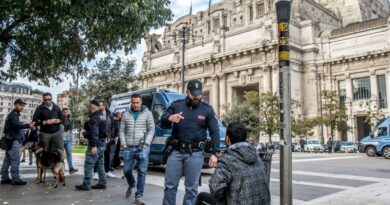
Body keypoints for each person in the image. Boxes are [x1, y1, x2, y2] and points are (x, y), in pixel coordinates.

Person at [161, 79, 220, 205]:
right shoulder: (176, 105)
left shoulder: (207, 109)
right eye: (194, 94)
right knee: (170, 186)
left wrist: (215, 153)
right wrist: (169, 118)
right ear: (187, 91)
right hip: (175, 152)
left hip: (196, 154)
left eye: (199, 94)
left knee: (191, 189)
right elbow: (163, 122)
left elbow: (215, 131)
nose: (197, 97)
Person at [196, 122, 271, 205]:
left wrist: (221, 161)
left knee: (201, 197)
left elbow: (215, 189)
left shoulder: (226, 160)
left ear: (227, 139)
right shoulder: (257, 157)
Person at [120, 93, 155, 205]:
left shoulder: (148, 114)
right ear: (131, 102)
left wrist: (147, 143)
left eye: (137, 102)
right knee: (126, 170)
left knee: (142, 172)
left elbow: (151, 130)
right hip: (128, 147)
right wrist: (124, 144)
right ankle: (131, 184)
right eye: (133, 102)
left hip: (143, 148)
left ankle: (138, 196)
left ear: (141, 102)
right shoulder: (126, 114)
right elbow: (121, 131)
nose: (135, 104)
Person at [1, 99, 34, 185]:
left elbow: (14, 125)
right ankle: (15, 179)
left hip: (9, 140)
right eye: (20, 105)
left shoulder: (13, 115)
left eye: (23, 105)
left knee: (7, 160)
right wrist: (27, 125)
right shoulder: (13, 115)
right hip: (13, 140)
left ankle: (4, 178)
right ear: (15, 105)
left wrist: (22, 124)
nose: (22, 107)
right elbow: (16, 125)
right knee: (15, 160)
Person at [75, 100, 107, 190]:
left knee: (89, 164)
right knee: (100, 164)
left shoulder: (94, 117)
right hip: (102, 143)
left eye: (88, 107)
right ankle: (103, 182)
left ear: (91, 107)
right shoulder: (102, 116)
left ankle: (86, 184)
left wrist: (93, 145)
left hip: (96, 144)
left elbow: (94, 132)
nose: (87, 108)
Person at [98, 101, 116, 178]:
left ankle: (107, 171)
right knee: (99, 156)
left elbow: (112, 126)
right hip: (99, 138)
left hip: (108, 138)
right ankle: (96, 172)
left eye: (100, 105)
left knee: (108, 155)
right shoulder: (97, 114)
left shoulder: (109, 115)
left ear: (104, 106)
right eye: (98, 105)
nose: (99, 107)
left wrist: (112, 135)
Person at [62, 107, 78, 174]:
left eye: (66, 112)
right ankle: (61, 170)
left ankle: (71, 168)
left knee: (69, 154)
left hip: (68, 140)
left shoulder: (70, 120)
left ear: (68, 112)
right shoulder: (59, 120)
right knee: (61, 155)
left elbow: (72, 131)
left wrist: (72, 141)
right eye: (64, 112)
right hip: (61, 140)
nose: (65, 113)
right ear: (62, 112)